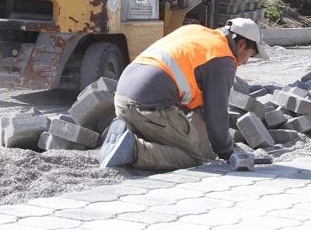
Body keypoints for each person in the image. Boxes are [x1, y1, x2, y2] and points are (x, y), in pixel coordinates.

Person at [98, 18, 270, 170]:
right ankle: (133, 148)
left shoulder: (197, 32)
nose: (246, 62)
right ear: (240, 45)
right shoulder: (222, 58)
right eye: (249, 56)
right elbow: (216, 115)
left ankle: (125, 133)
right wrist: (227, 152)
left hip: (122, 97)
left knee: (180, 138)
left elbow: (199, 105)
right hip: (146, 107)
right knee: (193, 156)